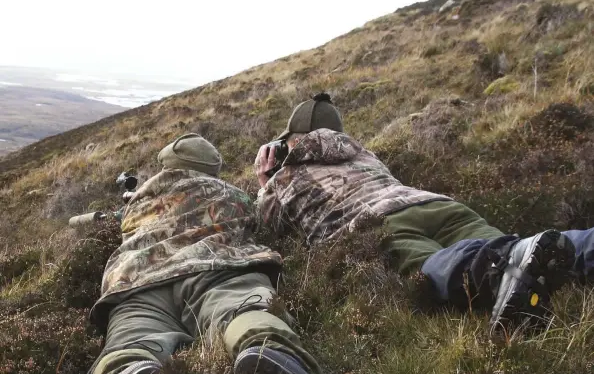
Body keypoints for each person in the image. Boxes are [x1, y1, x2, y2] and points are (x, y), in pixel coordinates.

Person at [54, 133, 359, 374]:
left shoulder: (138, 202)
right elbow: (262, 216)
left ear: (164, 168)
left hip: (139, 280)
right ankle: (268, 349)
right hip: (216, 268)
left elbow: (104, 221)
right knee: (243, 306)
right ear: (211, 169)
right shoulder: (231, 193)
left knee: (133, 330)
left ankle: (123, 371)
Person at [254, 93, 594, 331]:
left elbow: (268, 227)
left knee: (436, 271)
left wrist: (265, 180)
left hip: (378, 225)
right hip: (436, 204)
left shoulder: (285, 176)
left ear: (293, 140)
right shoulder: (365, 154)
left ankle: (508, 262)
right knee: (531, 248)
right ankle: (578, 248)